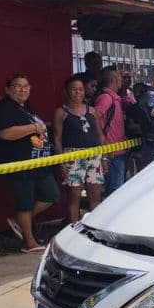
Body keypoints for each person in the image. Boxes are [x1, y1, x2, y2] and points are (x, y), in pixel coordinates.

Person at [0, 73, 59, 253]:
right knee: (25, 203)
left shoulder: (26, 108)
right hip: (20, 164)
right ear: (7, 89)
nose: (22, 90)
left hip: (40, 162)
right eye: (17, 86)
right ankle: (30, 243)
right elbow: (5, 133)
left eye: (26, 86)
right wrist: (34, 128)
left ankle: (18, 220)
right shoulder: (3, 108)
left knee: (51, 195)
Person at [53, 77, 107, 223]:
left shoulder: (92, 110)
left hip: (94, 155)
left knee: (95, 196)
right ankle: (73, 230)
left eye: (81, 89)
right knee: (74, 197)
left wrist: (104, 157)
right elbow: (57, 139)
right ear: (67, 92)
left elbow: (100, 135)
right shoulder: (61, 112)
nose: (78, 92)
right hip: (72, 156)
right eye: (74, 89)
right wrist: (61, 162)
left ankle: (95, 227)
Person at [93, 69, 127, 194]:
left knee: (118, 187)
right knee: (115, 190)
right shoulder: (106, 98)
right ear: (115, 80)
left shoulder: (114, 99)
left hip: (119, 150)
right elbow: (94, 117)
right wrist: (105, 141)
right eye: (120, 77)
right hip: (112, 152)